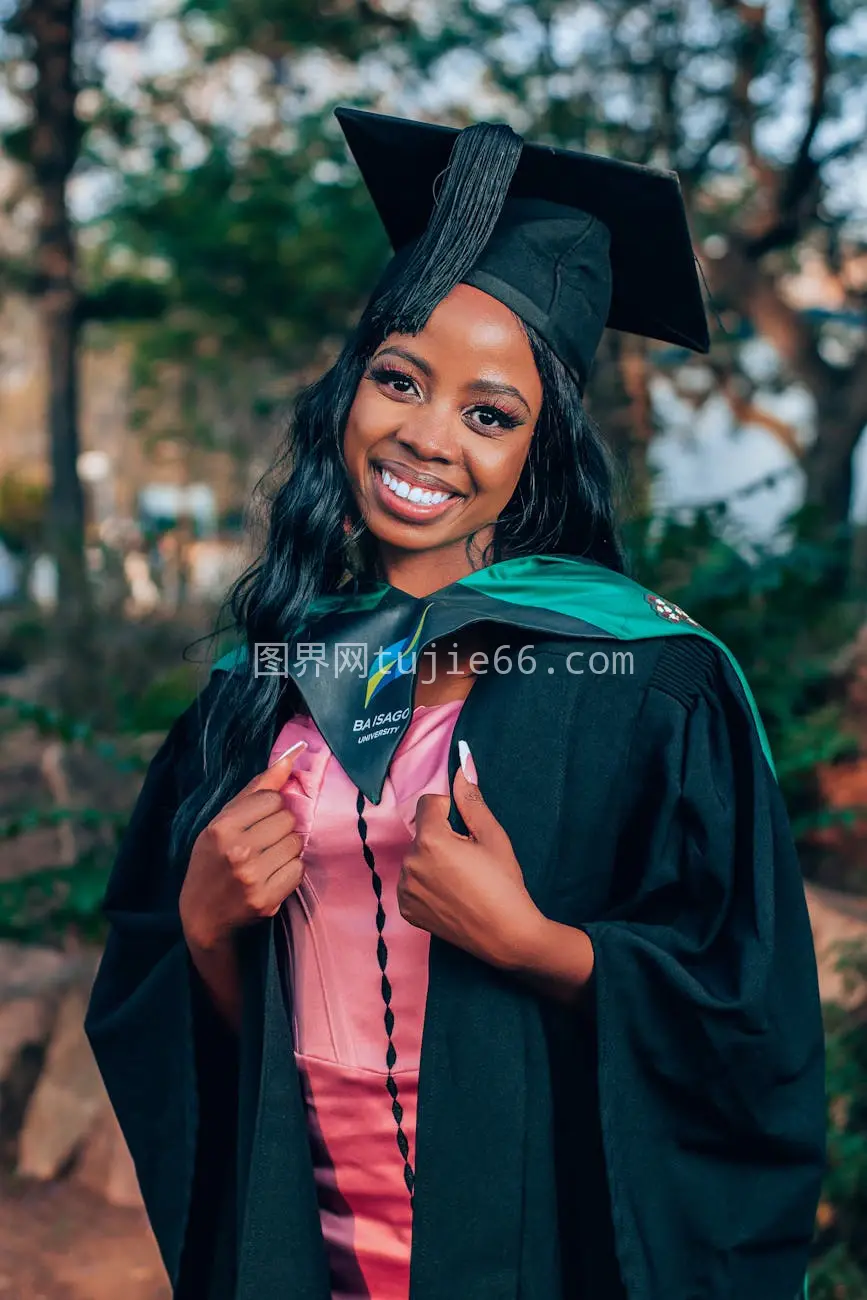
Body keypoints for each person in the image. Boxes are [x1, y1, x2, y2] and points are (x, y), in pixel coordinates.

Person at [84, 106, 826, 1300]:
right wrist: (206, 926)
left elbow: (750, 1025)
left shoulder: (647, 680)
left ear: (544, 449)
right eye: (400, 379)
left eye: (490, 412)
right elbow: (200, 1046)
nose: (427, 437)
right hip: (304, 1255)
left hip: (532, 1254)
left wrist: (543, 949)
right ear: (351, 392)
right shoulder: (261, 682)